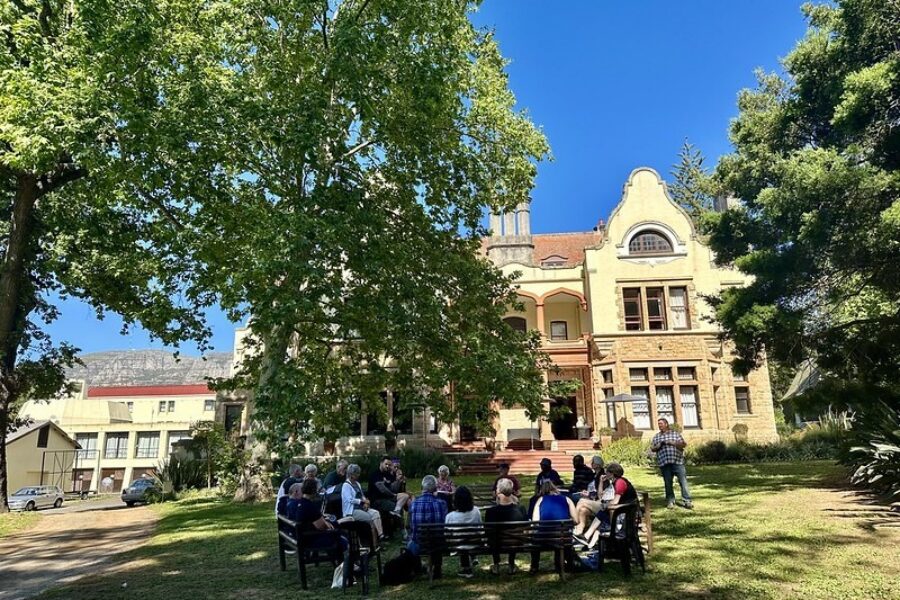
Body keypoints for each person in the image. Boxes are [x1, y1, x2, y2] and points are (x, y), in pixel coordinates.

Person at [577, 462, 638, 549]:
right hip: (622, 510)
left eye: (607, 472)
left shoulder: (620, 482)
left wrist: (606, 505)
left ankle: (584, 534)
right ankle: (588, 541)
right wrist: (601, 482)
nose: (605, 474)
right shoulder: (614, 482)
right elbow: (602, 496)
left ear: (612, 473)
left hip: (626, 513)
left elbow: (615, 501)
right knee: (602, 514)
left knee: (602, 512)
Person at [529, 481, 578, 573]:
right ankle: (566, 564)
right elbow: (576, 520)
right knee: (564, 537)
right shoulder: (567, 499)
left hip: (544, 538)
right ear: (555, 488)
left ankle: (534, 566)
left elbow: (535, 522)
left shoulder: (540, 500)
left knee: (535, 539)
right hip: (563, 537)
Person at [287, 479, 349, 552]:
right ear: (313, 491)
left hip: (303, 537)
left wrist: (326, 522)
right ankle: (346, 558)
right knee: (342, 538)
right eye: (317, 490)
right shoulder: (309, 506)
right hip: (309, 540)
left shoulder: (301, 503)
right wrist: (333, 523)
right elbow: (321, 527)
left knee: (338, 531)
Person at [407, 475, 449, 578]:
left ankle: (418, 569)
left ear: (422, 488)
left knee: (411, 542)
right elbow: (444, 524)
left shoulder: (414, 504)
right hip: (438, 544)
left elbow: (411, 526)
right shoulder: (442, 503)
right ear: (435, 488)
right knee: (437, 536)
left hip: (419, 544)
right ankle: (437, 569)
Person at [484, 478, 527, 574]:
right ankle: (511, 564)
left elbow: (487, 532)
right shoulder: (521, 509)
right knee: (514, 535)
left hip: (497, 543)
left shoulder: (491, 512)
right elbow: (525, 527)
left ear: (498, 491)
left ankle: (496, 564)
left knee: (493, 536)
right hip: (516, 543)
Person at [650, 418, 693, 509]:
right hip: (664, 462)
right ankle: (670, 501)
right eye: (658, 424)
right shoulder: (657, 436)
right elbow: (652, 449)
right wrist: (659, 445)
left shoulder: (675, 434)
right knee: (668, 483)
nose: (659, 425)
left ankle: (687, 501)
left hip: (677, 461)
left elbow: (683, 445)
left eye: (661, 424)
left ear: (666, 424)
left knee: (683, 482)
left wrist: (672, 443)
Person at [341, 463, 384, 541]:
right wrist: (361, 501)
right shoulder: (346, 486)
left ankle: (381, 535)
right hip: (352, 510)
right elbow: (350, 500)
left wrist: (366, 502)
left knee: (375, 513)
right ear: (352, 474)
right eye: (357, 473)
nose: (359, 475)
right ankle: (373, 543)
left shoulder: (357, 484)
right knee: (370, 518)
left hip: (361, 507)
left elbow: (362, 495)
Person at [445, 486, 481, 578]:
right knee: (467, 539)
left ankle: (466, 568)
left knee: (461, 542)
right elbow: (480, 527)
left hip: (458, 545)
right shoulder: (476, 511)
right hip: (474, 543)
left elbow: (447, 534)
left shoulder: (450, 516)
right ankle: (472, 558)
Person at [574, 456, 608, 535]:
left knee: (581, 501)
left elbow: (602, 495)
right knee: (583, 510)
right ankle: (580, 531)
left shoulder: (603, 477)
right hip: (594, 501)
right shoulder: (594, 475)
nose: (591, 464)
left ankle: (573, 522)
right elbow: (594, 491)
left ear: (598, 465)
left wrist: (589, 494)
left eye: (593, 462)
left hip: (602, 504)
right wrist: (588, 493)